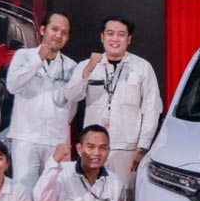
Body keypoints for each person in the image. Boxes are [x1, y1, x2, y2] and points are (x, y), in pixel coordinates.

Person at [62, 16, 161, 186]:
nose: (115, 39)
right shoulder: (87, 65)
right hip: (93, 147)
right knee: (91, 192)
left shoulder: (142, 67)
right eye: (110, 33)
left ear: (129, 39)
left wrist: (142, 146)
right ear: (102, 37)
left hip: (127, 147)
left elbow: (151, 108)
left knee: (123, 194)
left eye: (121, 34)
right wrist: (88, 70)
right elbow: (72, 95)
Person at [6, 11, 79, 199]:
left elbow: (72, 108)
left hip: (56, 140)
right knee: (23, 196)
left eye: (64, 32)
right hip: (25, 138)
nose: (58, 35)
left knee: (54, 197)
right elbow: (12, 85)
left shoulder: (71, 66)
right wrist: (37, 59)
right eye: (54, 29)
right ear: (43, 30)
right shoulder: (24, 56)